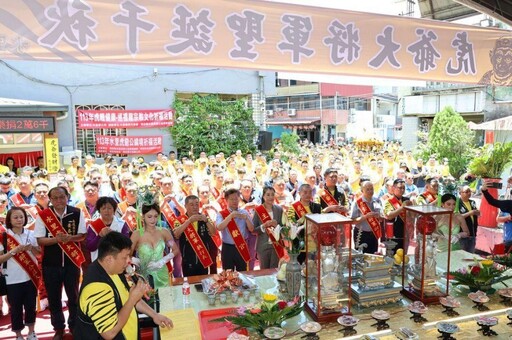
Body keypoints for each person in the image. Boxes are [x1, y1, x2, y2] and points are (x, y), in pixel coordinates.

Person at [76, 231, 173, 339]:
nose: (128, 261)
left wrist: (155, 315)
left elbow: (132, 297)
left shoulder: (115, 270)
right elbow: (109, 332)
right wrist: (132, 299)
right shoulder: (96, 287)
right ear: (109, 259)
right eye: (125, 257)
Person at [34, 187, 87, 339]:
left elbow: (82, 235)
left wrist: (70, 238)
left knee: (73, 296)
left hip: (72, 263)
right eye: (55, 198)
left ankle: (74, 326)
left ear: (67, 197)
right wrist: (56, 240)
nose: (59, 201)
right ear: (50, 199)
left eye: (62, 197)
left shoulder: (76, 213)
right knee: (54, 297)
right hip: (51, 263)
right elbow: (39, 239)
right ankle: (58, 328)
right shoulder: (44, 216)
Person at [0, 207, 41, 340]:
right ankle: (18, 334)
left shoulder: (31, 234)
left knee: (31, 306)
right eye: (15, 217)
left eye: (21, 217)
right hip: (12, 279)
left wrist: (32, 248)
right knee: (16, 309)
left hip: (30, 276)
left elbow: (39, 253)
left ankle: (31, 332)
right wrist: (14, 251)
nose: (19, 220)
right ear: (9, 220)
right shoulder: (4, 237)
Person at [130, 203, 178, 290]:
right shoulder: (136, 234)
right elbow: (126, 255)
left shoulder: (164, 232)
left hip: (162, 274)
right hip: (144, 276)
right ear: (143, 216)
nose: (153, 220)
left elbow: (175, 250)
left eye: (156, 216)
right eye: (149, 216)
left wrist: (162, 261)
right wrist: (139, 262)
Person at [173, 195, 217, 276]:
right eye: (191, 205)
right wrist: (188, 221)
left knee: (203, 283)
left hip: (203, 258)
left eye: (197, 204)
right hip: (187, 260)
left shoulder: (204, 218)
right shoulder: (180, 220)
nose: (195, 207)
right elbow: (176, 234)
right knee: (190, 283)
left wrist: (206, 221)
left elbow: (214, 233)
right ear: (186, 206)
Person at [216, 188, 254, 271]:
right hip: (228, 248)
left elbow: (251, 229)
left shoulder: (244, 212)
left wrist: (246, 218)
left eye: (236, 199)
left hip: (241, 246)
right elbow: (219, 227)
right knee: (228, 273)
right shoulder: (221, 214)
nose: (234, 201)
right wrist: (230, 216)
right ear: (226, 200)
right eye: (231, 199)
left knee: (243, 272)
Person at [86, 197, 130, 262]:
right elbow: (90, 247)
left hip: (118, 262)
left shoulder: (122, 224)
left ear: (114, 210)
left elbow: (127, 244)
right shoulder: (93, 226)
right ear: (99, 211)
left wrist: (114, 236)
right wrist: (99, 236)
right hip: (100, 263)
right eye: (103, 208)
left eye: (109, 208)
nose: (107, 211)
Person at [287, 184, 321, 264]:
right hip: (300, 245)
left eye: (310, 192)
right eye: (305, 192)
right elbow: (291, 224)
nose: (308, 195)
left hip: (314, 245)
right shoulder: (293, 207)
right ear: (299, 193)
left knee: (313, 269)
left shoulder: (317, 207)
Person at [252, 187, 284, 269]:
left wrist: (277, 225)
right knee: (264, 271)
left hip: (276, 245)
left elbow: (283, 228)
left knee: (274, 271)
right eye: (268, 195)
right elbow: (253, 230)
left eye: (272, 194)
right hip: (263, 245)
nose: (270, 197)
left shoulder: (279, 209)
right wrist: (264, 226)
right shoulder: (258, 210)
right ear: (263, 196)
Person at [350, 181, 382, 254]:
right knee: (361, 256)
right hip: (361, 234)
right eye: (368, 189)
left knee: (374, 256)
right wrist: (366, 217)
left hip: (374, 233)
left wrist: (379, 216)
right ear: (362, 191)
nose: (370, 191)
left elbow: (381, 217)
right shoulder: (357, 203)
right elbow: (353, 221)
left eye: (372, 189)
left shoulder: (377, 200)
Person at [384, 179, 412, 253]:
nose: (402, 190)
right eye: (400, 188)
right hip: (394, 235)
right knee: (393, 258)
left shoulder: (407, 200)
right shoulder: (389, 201)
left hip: (405, 234)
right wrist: (402, 207)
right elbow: (389, 215)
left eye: (403, 188)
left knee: (404, 257)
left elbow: (413, 216)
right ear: (393, 188)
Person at [458, 185, 479, 253]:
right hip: (462, 235)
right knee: (462, 255)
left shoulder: (472, 202)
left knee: (470, 255)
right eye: (466, 192)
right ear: (460, 193)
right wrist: (470, 213)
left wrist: (477, 212)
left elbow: (476, 213)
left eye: (470, 191)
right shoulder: (457, 203)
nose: (469, 193)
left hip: (473, 233)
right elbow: (458, 217)